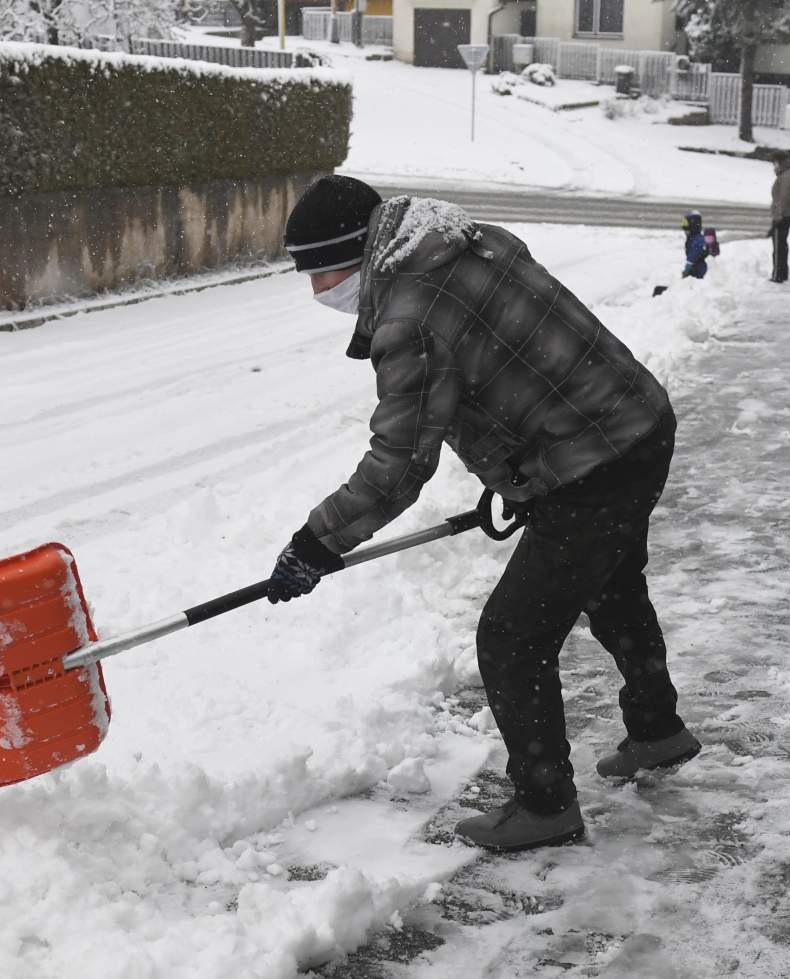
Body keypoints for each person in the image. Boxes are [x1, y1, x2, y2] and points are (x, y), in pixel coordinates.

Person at [266, 175, 699, 852]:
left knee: (511, 636)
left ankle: (545, 803)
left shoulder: (408, 311)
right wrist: (521, 472)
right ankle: (656, 728)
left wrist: (316, 543)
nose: (319, 293)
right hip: (633, 422)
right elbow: (511, 366)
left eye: (321, 274)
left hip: (597, 457)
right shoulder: (460, 240)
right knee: (612, 585)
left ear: (356, 254)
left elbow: (402, 461)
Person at [770, 152, 790, 283]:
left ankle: (778, 275)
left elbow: (784, 198)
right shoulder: (786, 174)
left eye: (775, 163)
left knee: (779, 247)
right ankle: (782, 273)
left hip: (782, 216)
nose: (773, 166)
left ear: (780, 162)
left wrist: (778, 216)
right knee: (781, 245)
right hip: (785, 214)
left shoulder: (786, 176)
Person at [681, 210, 710, 280]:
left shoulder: (697, 240)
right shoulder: (693, 238)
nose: (684, 230)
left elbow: (692, 256)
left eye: (686, 225)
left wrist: (686, 270)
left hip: (699, 269)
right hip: (696, 267)